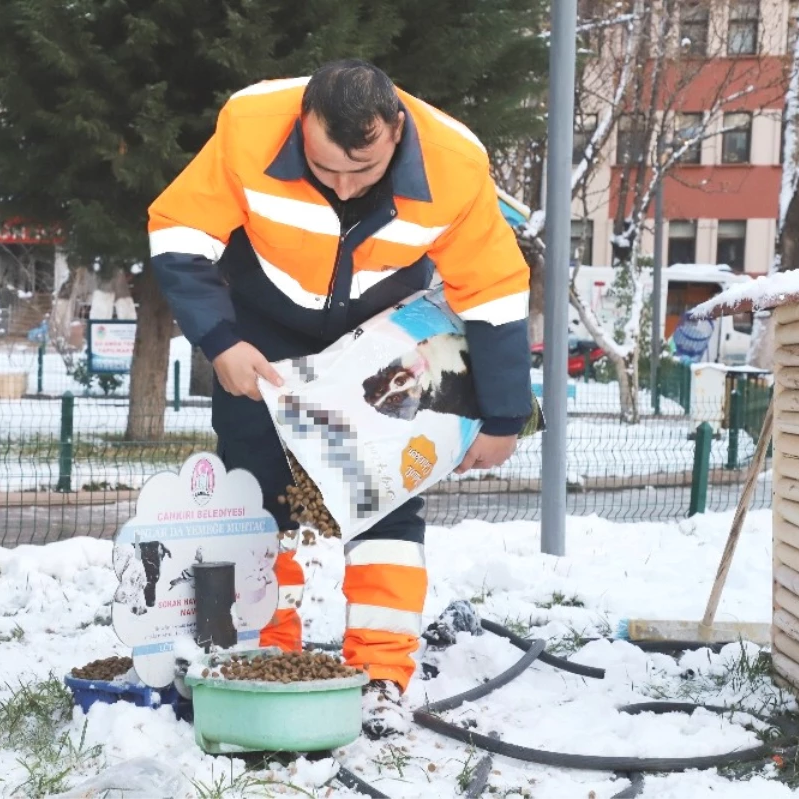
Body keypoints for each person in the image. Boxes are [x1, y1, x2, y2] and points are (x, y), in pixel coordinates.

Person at [146, 59, 532, 738]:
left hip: (381, 351)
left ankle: (383, 676)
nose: (346, 185)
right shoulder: (248, 126)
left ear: (397, 131)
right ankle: (264, 655)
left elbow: (495, 290)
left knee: (387, 505)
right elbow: (180, 232)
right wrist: (220, 341)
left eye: (365, 169)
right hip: (261, 341)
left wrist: (504, 415)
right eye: (327, 170)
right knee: (255, 502)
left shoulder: (455, 161)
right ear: (303, 127)